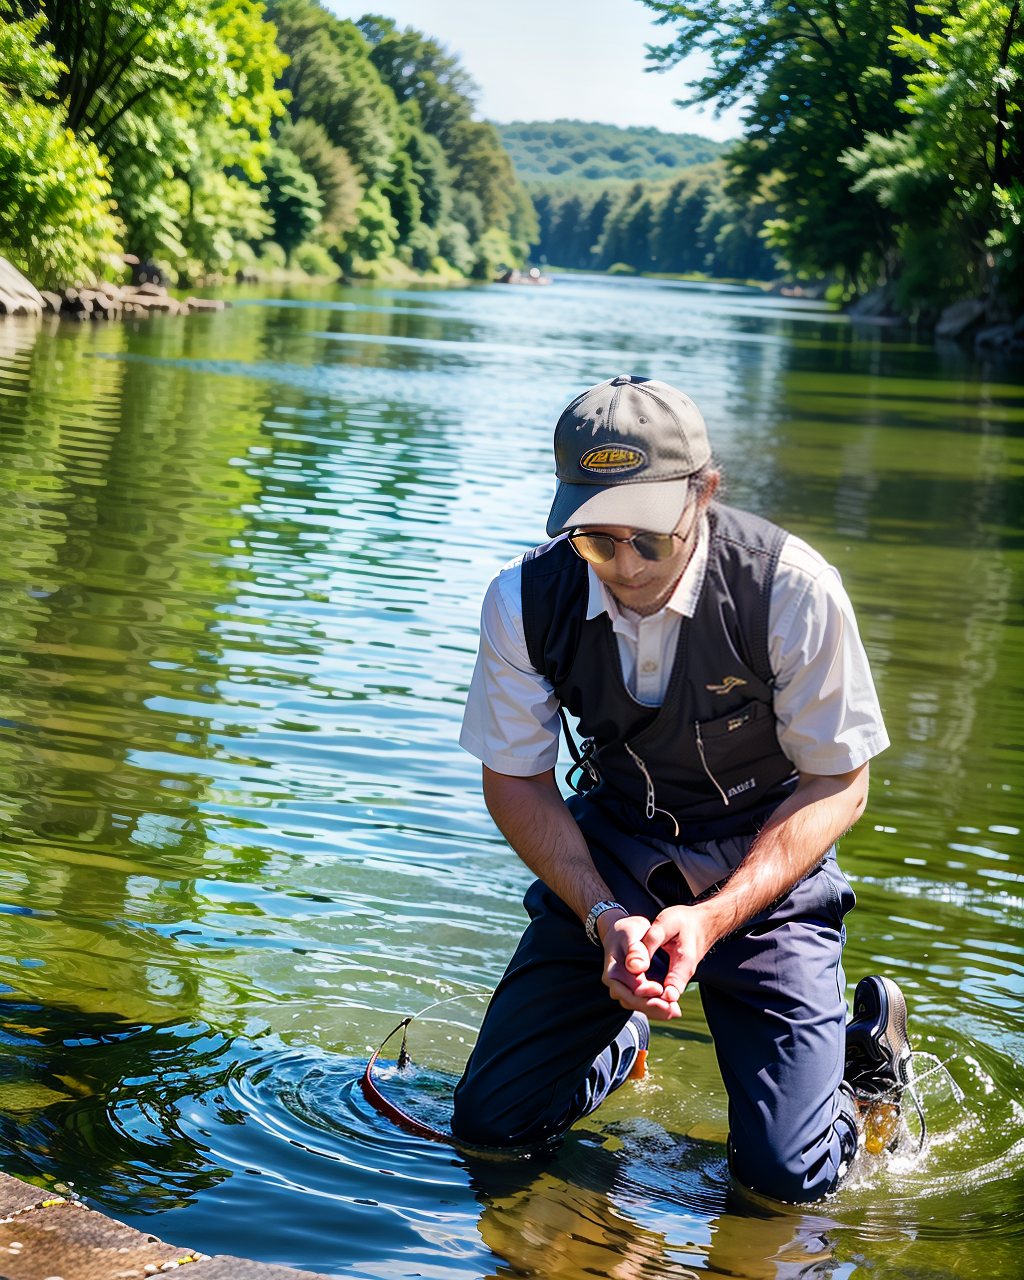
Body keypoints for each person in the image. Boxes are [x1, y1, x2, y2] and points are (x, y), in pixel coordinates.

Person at [451, 374, 912, 1203]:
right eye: (596, 539)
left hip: (768, 872)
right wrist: (599, 912)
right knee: (492, 1129)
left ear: (705, 492)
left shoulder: (792, 588)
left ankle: (861, 1069)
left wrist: (713, 917)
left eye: (649, 538)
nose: (624, 565)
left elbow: (840, 782)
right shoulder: (522, 600)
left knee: (784, 1182)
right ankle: (620, 1042)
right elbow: (515, 779)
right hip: (613, 853)